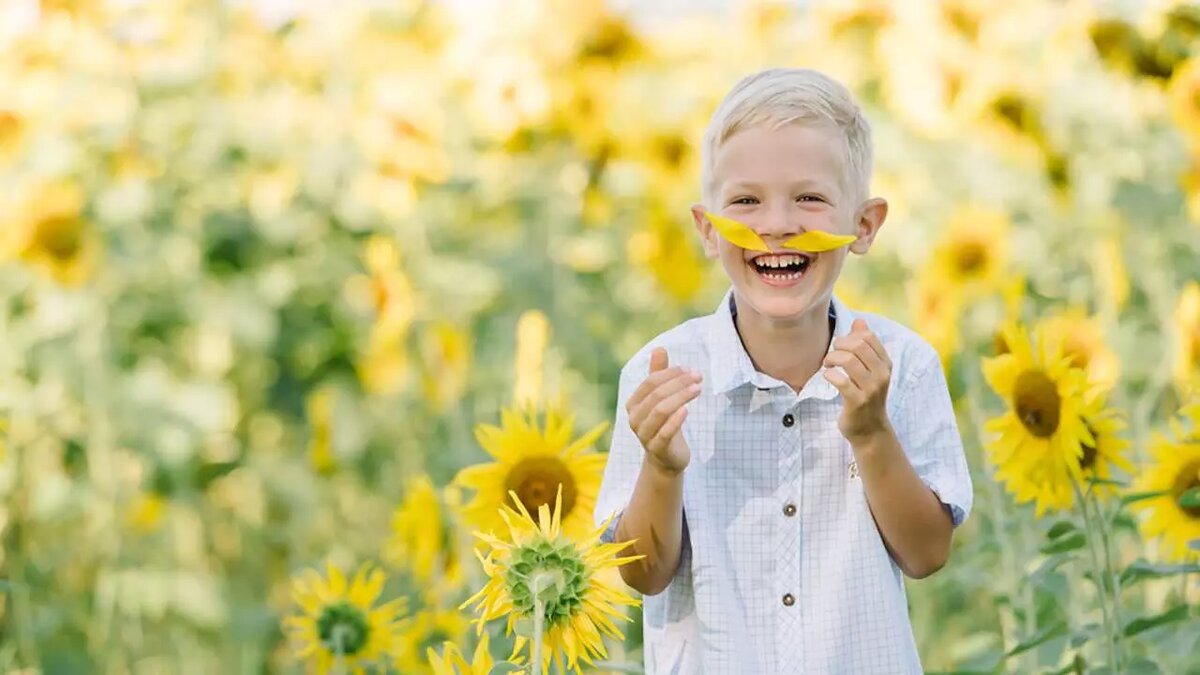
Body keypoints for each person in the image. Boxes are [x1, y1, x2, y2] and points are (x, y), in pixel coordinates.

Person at [594, 68, 974, 674]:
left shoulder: (905, 366)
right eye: (746, 201)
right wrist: (662, 467)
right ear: (709, 230)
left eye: (810, 197)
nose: (776, 224)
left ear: (864, 225)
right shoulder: (659, 374)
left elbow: (927, 554)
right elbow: (643, 574)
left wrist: (872, 432)